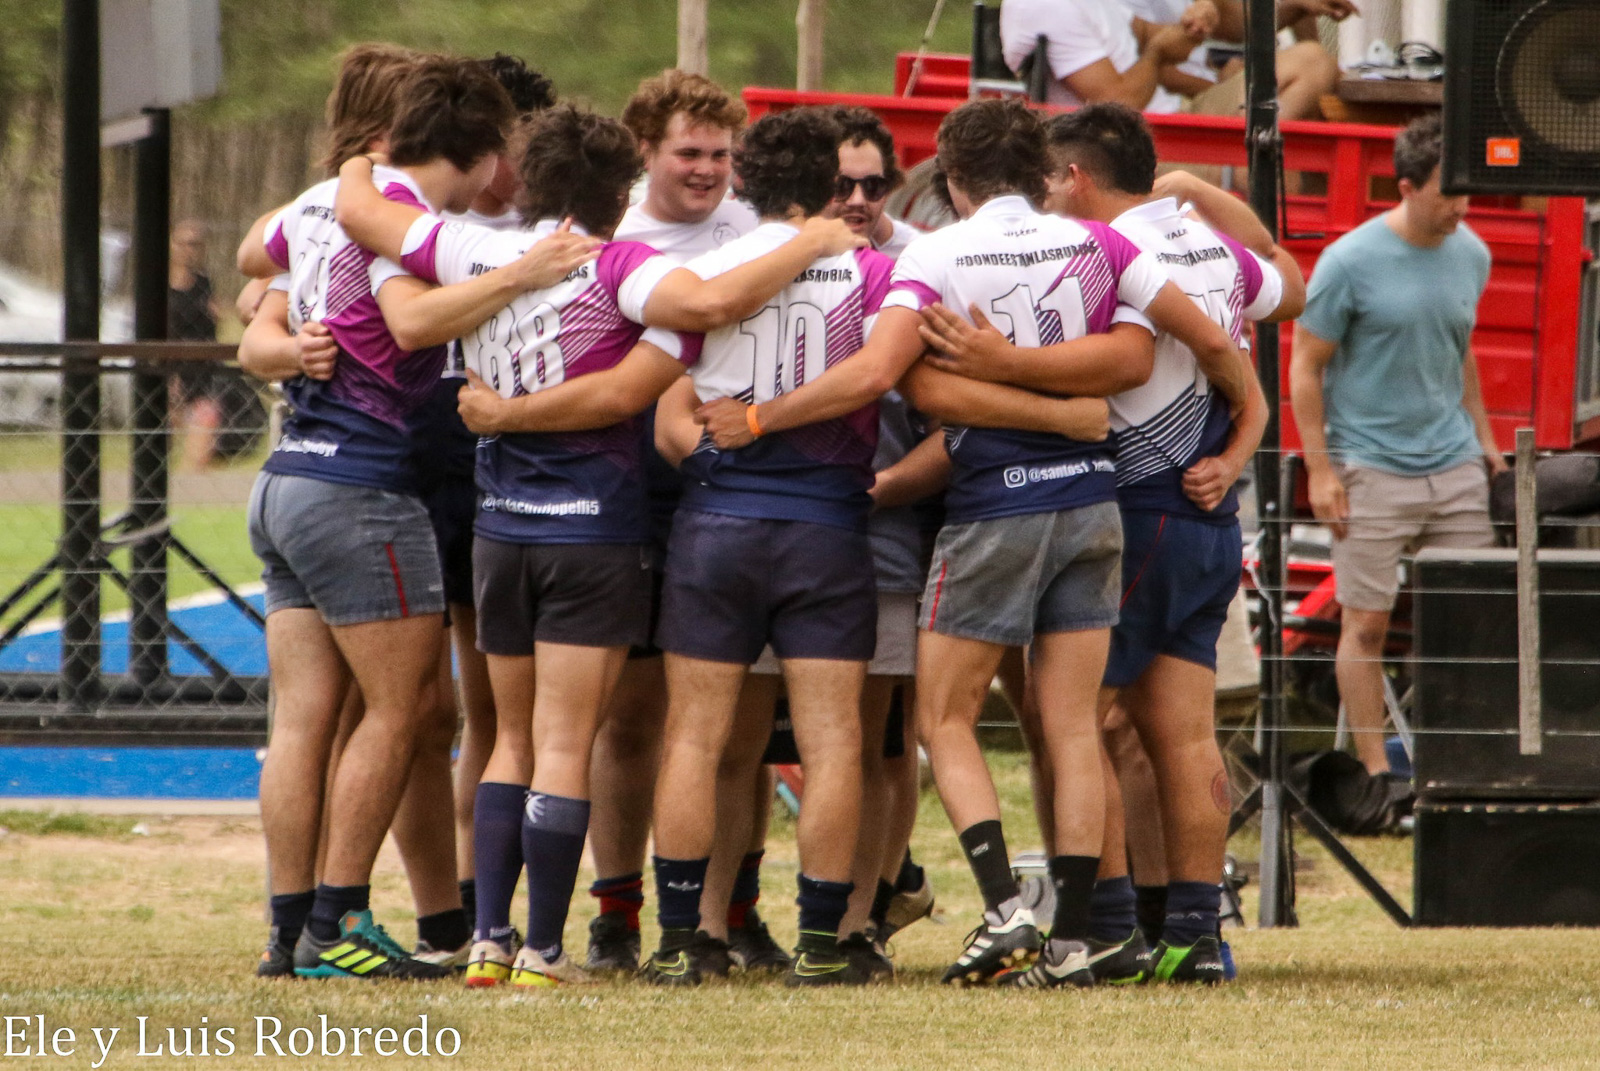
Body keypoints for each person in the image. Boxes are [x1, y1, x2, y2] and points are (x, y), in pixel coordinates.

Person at [335, 103, 864, 987]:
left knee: (506, 740)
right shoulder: (626, 266)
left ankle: (489, 941)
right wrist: (809, 244)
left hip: (498, 531)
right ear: (625, 188)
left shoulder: (475, 251)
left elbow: (368, 218)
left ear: (528, 177)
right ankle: (544, 948)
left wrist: (357, 159)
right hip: (593, 531)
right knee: (566, 742)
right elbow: (709, 309)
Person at [926, 102, 1299, 984]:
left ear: (1077, 176)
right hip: (1212, 516)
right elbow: (1291, 280)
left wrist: (994, 364)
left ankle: (1108, 926)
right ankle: (1199, 940)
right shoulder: (1213, 248)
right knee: (1184, 732)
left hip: (1137, 504)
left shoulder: (1120, 252)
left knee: (1080, 721)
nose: (1044, 194)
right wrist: (1244, 443)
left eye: (1052, 177)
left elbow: (1128, 363)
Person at [237, 56, 523, 981]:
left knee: (304, 718)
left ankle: (288, 931)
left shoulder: (327, 199)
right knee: (402, 711)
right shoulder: (410, 223)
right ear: (481, 157)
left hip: (286, 477)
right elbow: (412, 323)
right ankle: (338, 922)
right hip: (362, 486)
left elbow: (255, 266)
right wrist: (523, 275)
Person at [584, 69, 786, 977]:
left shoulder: (755, 229)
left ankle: (724, 914)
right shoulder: (611, 233)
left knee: (738, 729)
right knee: (629, 725)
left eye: (720, 153)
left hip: (736, 484)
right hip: (630, 492)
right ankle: (616, 911)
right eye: (689, 153)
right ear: (645, 152)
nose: (708, 170)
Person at [1290, 112, 1502, 776]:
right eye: (1449, 192)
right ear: (1406, 186)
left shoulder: (1474, 252)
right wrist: (1322, 473)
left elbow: (1458, 351)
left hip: (1455, 466)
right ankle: (1374, 774)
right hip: (1371, 468)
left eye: (1467, 191)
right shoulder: (1347, 262)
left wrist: (1488, 448)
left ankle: (1453, 759)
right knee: (1368, 627)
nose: (1462, 206)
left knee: (1471, 623)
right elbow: (1305, 366)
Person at [1120, 0, 1347, 121]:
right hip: (1176, 113)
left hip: (1209, 85)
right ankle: (1254, 164)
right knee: (1313, 62)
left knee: (1326, 79)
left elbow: (1233, 21)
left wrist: (1296, 5)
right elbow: (1154, 70)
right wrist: (1219, 86)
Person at [169, 220, 266, 469]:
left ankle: (192, 479)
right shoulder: (163, 287)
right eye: (186, 244)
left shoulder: (203, 282)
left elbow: (213, 325)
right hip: (171, 367)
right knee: (164, 431)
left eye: (197, 245)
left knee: (206, 420)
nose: (191, 250)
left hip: (204, 368)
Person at [998, 0, 1208, 112]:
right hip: (1144, 145)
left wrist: (1198, 22)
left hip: (1176, 114)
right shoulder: (1045, 6)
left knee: (1240, 85)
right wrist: (1157, 53)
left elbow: (1146, 32)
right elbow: (1118, 104)